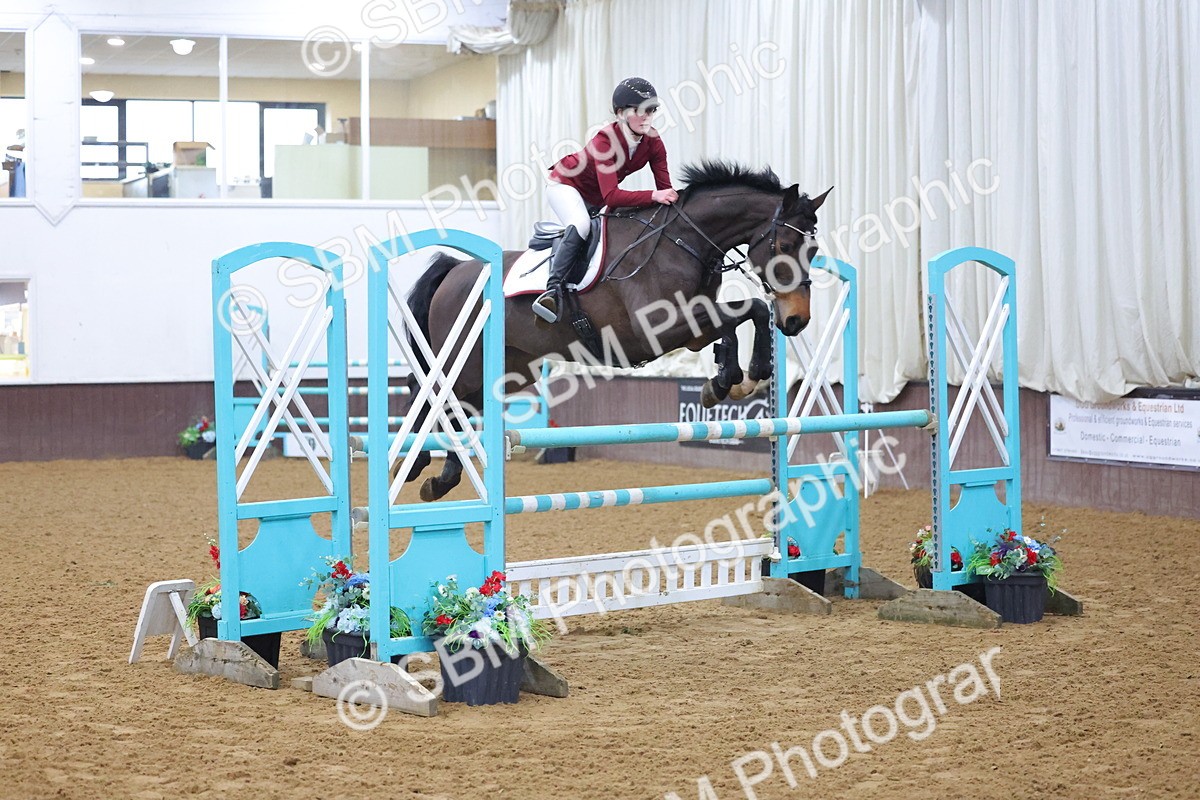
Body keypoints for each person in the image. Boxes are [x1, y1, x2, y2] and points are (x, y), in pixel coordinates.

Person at [532, 77, 679, 323]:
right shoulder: (605, 141)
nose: (647, 117)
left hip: (596, 195)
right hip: (565, 185)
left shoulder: (653, 142)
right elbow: (612, 196)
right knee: (581, 225)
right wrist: (654, 196)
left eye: (651, 110)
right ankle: (552, 290)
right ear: (621, 113)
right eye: (639, 111)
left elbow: (665, 190)